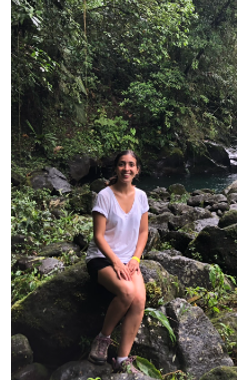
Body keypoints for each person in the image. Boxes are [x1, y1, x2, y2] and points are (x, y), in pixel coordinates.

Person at [85, 150, 149, 375]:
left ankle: (122, 359)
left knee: (140, 299)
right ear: (116, 168)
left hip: (128, 260)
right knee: (127, 292)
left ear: (137, 170)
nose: (126, 169)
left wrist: (134, 258)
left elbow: (143, 232)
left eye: (131, 165)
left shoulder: (141, 196)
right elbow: (99, 236)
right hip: (102, 258)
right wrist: (116, 262)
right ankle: (103, 338)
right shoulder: (104, 195)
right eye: (122, 164)